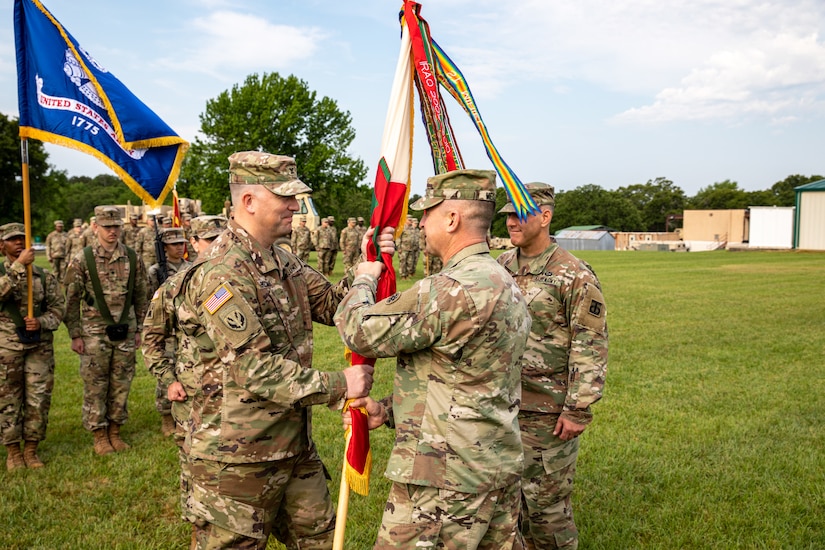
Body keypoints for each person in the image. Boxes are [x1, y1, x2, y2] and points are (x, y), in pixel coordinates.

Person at [172, 151, 392, 549]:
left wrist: (367, 262)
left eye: (296, 196)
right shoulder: (221, 273)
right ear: (248, 201)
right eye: (284, 197)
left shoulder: (284, 260)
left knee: (323, 541)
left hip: (293, 447)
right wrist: (339, 383)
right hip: (236, 460)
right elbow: (252, 368)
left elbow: (332, 304)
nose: (295, 205)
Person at [336, 169, 531, 550]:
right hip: (494, 464)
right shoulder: (503, 279)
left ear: (452, 218)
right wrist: (387, 410)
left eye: (428, 212)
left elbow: (358, 330)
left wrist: (364, 275)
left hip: (444, 479)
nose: (421, 222)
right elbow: (468, 380)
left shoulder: (449, 290)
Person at [497, 182, 608, 550]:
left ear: (545, 216)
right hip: (501, 405)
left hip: (547, 412)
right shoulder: (500, 267)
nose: (511, 222)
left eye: (519, 214)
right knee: (505, 503)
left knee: (545, 508)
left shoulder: (573, 273)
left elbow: (590, 343)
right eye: (507, 215)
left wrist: (578, 408)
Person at [142, 214, 226, 537]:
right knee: (194, 468)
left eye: (222, 239)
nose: (217, 247)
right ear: (194, 244)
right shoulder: (175, 285)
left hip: (234, 398)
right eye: (209, 241)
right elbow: (151, 337)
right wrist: (168, 379)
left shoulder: (238, 278)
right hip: (192, 396)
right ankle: (198, 531)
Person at [64, 205, 148, 455]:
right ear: (95, 227)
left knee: (122, 381)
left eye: (116, 226)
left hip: (126, 328)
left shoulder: (133, 258)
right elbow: (71, 299)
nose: (112, 231)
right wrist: (75, 334)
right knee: (95, 383)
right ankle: (99, 433)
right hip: (94, 331)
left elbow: (142, 296)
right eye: (107, 226)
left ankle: (115, 430)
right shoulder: (82, 259)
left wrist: (140, 329)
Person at [0, 223, 66, 470]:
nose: (18, 243)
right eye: (12, 239)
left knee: (38, 398)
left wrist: (41, 322)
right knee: (8, 399)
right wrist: (18, 267)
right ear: (1, 245)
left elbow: (58, 308)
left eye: (22, 238)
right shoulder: (2, 272)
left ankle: (31, 448)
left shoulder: (43, 276)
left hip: (38, 346)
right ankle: (13, 451)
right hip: (6, 348)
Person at [146, 227, 192, 436]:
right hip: (165, 328)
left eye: (181, 243)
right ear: (164, 248)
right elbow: (151, 302)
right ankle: (166, 415)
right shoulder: (155, 271)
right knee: (166, 371)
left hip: (184, 328)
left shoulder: (191, 267)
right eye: (174, 244)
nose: (179, 247)